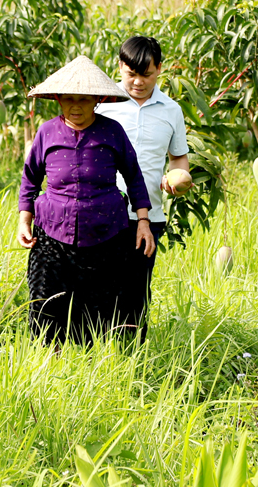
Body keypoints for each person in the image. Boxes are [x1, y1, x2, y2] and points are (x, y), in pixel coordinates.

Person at [16, 55, 155, 345]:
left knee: (100, 306)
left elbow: (134, 176)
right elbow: (30, 178)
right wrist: (24, 220)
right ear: (58, 99)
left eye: (83, 99)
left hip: (106, 234)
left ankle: (96, 362)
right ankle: (47, 362)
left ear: (96, 100)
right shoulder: (47, 132)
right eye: (68, 99)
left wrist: (143, 221)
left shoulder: (112, 132)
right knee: (45, 301)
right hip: (52, 233)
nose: (75, 106)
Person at [96, 36, 191, 339]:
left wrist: (177, 179)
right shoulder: (102, 104)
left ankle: (132, 359)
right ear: (120, 67)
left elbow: (178, 160)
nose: (137, 82)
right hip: (101, 213)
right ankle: (93, 355)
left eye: (146, 75)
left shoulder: (171, 110)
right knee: (99, 289)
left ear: (159, 69)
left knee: (136, 294)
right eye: (130, 74)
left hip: (148, 218)